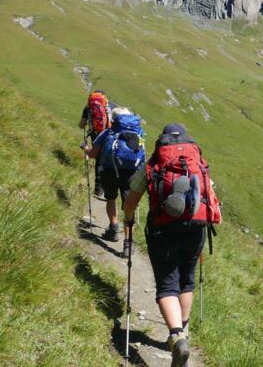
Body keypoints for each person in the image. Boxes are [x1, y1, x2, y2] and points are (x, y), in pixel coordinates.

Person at [123, 123, 221, 367]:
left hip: (162, 230)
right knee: (187, 281)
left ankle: (176, 337)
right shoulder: (198, 162)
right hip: (196, 228)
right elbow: (210, 195)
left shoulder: (155, 163)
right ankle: (183, 331)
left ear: (162, 141)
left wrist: (129, 218)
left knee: (168, 285)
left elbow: (131, 199)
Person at [83, 107, 145, 248]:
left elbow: (92, 154)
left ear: (113, 120)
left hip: (110, 170)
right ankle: (128, 242)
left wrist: (85, 148)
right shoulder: (139, 133)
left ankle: (114, 228)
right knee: (129, 206)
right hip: (132, 173)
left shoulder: (108, 132)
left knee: (111, 198)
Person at [79, 90, 116, 198]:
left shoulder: (88, 107)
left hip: (96, 137)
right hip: (109, 137)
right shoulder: (110, 107)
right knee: (110, 161)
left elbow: (81, 125)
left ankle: (98, 189)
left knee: (98, 161)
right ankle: (110, 189)